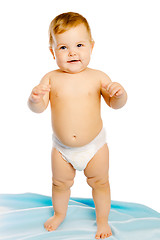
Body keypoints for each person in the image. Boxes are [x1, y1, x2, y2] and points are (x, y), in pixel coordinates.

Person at [28, 12, 127, 239]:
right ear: (53, 52)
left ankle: (102, 220)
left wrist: (119, 94)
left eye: (79, 45)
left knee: (100, 182)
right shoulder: (51, 78)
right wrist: (34, 99)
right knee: (60, 184)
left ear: (91, 46)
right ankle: (59, 213)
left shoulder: (97, 76)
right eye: (63, 47)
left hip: (95, 147)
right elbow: (39, 107)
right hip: (62, 150)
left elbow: (115, 104)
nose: (72, 52)